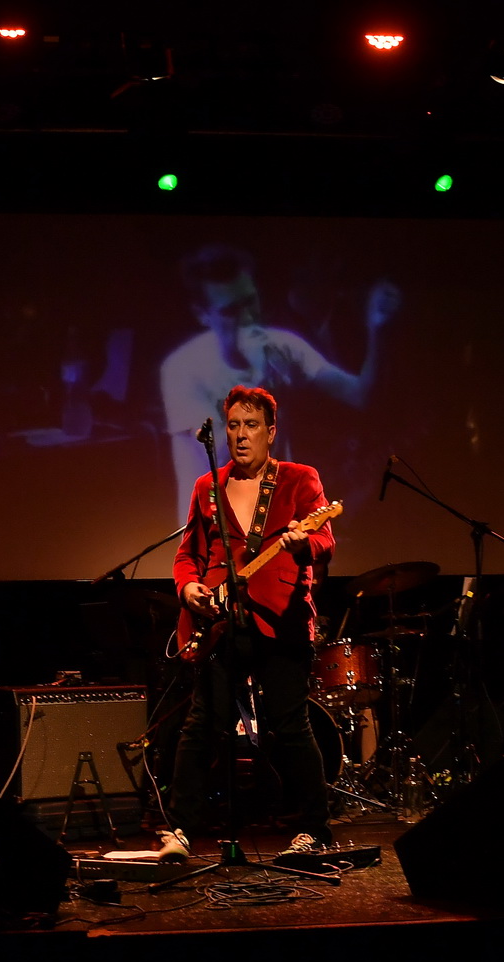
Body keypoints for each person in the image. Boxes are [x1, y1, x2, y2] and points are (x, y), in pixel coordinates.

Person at [165, 385, 336, 855]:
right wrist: (188, 588)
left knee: (290, 725)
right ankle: (180, 830)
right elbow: (188, 555)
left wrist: (302, 542)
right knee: (203, 725)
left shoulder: (299, 479)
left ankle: (314, 829)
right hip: (220, 621)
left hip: (280, 620)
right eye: (234, 425)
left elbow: (325, 542)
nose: (241, 435)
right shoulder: (207, 486)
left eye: (252, 425)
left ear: (271, 431)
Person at [159, 244, 399, 524]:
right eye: (231, 311)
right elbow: (222, 460)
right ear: (203, 314)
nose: (248, 318)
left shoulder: (282, 345)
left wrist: (377, 329)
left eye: (250, 302)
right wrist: (262, 384)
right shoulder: (183, 369)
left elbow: (360, 395)